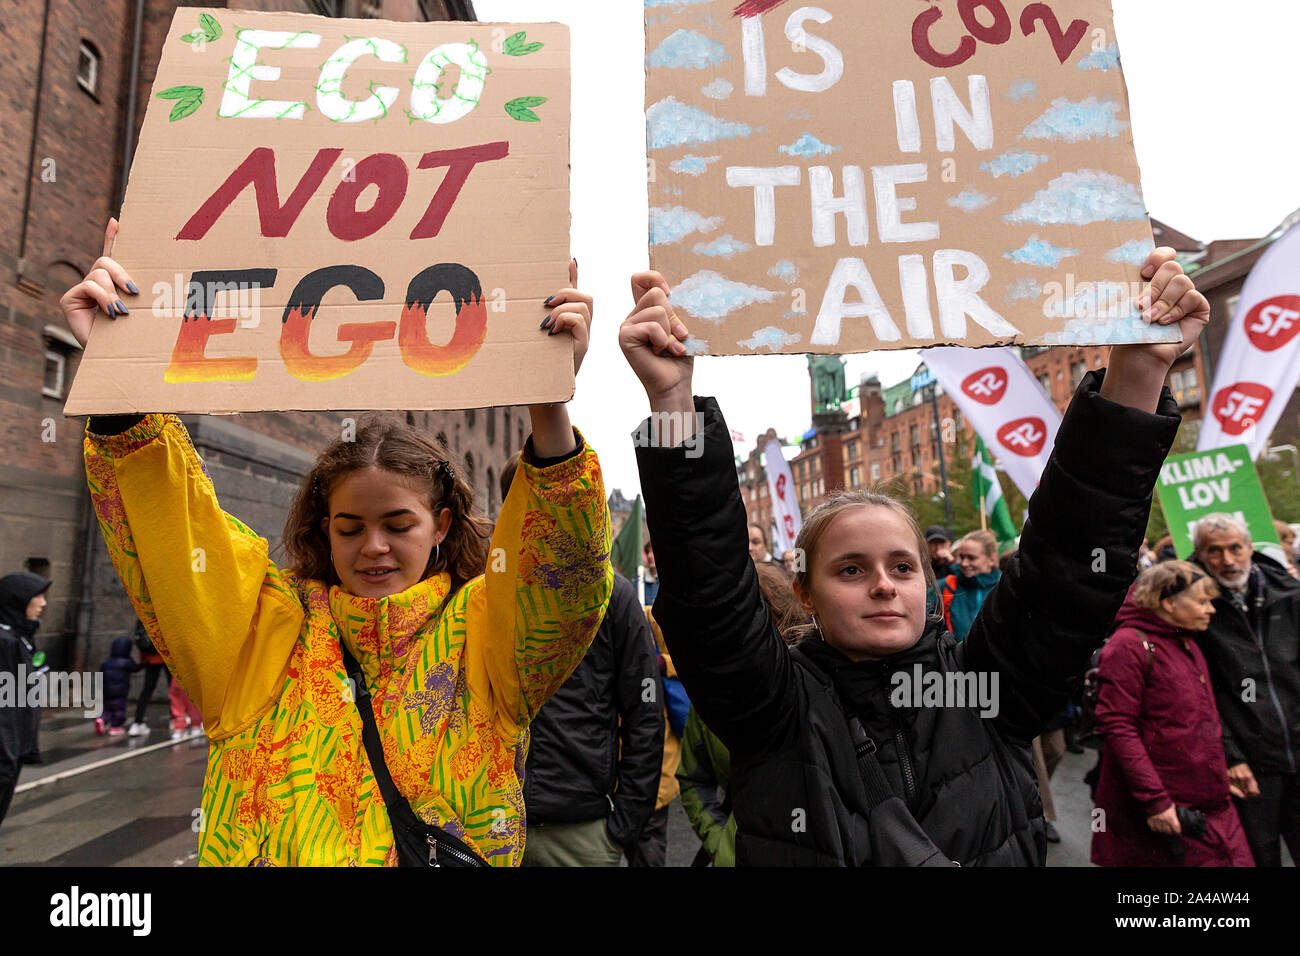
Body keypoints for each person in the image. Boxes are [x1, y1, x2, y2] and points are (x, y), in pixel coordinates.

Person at [618, 247, 1204, 865]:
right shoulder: (773, 710)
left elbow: (1068, 563)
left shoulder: (987, 691)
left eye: (903, 567)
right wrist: (673, 404)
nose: (883, 585)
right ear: (805, 594)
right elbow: (707, 586)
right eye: (850, 569)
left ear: (926, 581)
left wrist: (1139, 373)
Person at [61, 220, 612, 866]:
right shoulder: (262, 633)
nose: (373, 547)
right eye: (350, 528)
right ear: (325, 528)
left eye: (398, 525)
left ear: (441, 525)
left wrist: (550, 407)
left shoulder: (485, 639)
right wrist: (119, 381)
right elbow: (172, 538)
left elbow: (561, 582)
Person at [504, 457, 665, 868]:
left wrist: (622, 825)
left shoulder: (613, 594)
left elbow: (645, 712)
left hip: (583, 830)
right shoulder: (482, 591)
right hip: (493, 824)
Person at [1091, 561, 1253, 866]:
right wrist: (1156, 802)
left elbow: (1201, 718)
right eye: (1202, 602)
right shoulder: (1128, 646)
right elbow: (1118, 728)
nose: (1211, 610)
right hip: (1171, 811)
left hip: (1212, 803)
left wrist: (1222, 769)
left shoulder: (1186, 641)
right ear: (1168, 602)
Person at [1190, 512, 1300, 867]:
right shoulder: (1194, 611)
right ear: (1201, 556)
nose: (1228, 560)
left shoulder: (1290, 596)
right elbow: (1200, 695)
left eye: (1235, 548)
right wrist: (1231, 756)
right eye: (1215, 551)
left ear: (1250, 547)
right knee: (1258, 857)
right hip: (1249, 765)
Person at [677, 562, 804, 866]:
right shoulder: (710, 691)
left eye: (756, 615)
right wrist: (721, 841)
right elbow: (694, 779)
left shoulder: (813, 681)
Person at [0, 572, 51, 828]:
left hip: (15, 744)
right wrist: (8, 753)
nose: (43, 603)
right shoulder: (5, 642)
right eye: (37, 596)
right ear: (18, 600)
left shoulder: (22, 637)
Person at [938, 530, 1002, 642]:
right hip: (955, 658)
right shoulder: (946, 586)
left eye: (971, 558)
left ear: (991, 559)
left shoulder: (1004, 588)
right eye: (961, 557)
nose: (964, 563)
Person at [127, 619, 169, 736]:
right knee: (174, 689)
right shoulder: (165, 608)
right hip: (167, 655)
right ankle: (176, 720)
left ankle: (137, 722)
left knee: (147, 689)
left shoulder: (145, 608)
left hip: (150, 656)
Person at [96, 635, 141, 736]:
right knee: (118, 709)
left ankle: (102, 719)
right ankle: (115, 727)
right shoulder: (126, 662)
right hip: (120, 691)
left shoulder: (106, 662)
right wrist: (142, 663)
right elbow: (135, 668)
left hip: (107, 691)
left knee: (107, 708)